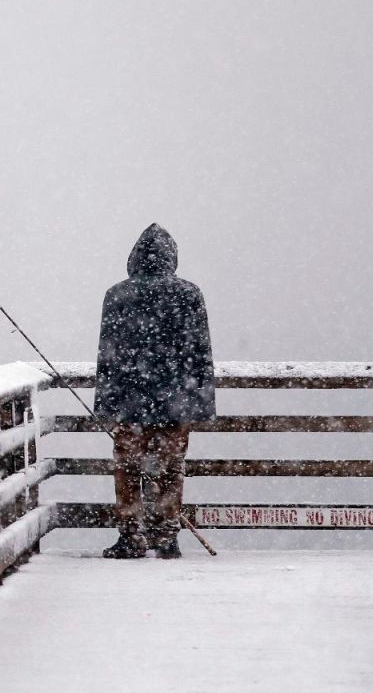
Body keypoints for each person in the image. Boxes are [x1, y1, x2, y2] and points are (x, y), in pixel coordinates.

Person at [94, 223, 215, 559]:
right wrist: (200, 404)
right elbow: (201, 354)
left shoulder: (118, 294)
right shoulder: (190, 294)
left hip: (130, 404)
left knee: (129, 471)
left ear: (134, 258)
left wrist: (104, 405)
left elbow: (108, 356)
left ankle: (132, 537)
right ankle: (165, 537)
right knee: (171, 469)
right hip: (175, 403)